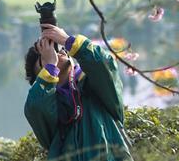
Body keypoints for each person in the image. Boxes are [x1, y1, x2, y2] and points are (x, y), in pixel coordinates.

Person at [24, 24, 132, 161]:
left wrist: (68, 41)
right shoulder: (48, 104)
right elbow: (36, 107)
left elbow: (105, 66)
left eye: (56, 48)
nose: (55, 53)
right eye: (44, 57)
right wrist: (50, 68)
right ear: (40, 75)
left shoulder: (93, 84)